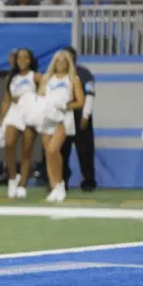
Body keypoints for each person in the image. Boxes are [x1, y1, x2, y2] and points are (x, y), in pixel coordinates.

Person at [37, 50, 85, 202]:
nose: (61, 63)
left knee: (54, 149)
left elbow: (80, 101)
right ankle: (55, 186)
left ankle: (61, 184)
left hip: (64, 117)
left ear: (68, 63)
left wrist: (65, 105)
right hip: (46, 117)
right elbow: (39, 96)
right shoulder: (47, 78)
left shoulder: (73, 79)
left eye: (64, 61)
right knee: (48, 153)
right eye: (58, 60)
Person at [0, 48, 41, 198]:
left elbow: (43, 94)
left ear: (30, 60)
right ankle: (12, 178)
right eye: (19, 58)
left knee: (27, 150)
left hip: (30, 112)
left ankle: (23, 184)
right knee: (9, 144)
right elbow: (6, 99)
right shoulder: (11, 77)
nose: (22, 61)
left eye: (25, 58)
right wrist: (1, 120)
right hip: (14, 112)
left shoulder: (35, 77)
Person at [61, 46, 96, 191]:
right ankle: (61, 181)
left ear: (75, 57)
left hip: (80, 116)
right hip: (62, 118)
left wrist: (86, 115)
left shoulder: (84, 73)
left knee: (85, 151)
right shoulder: (57, 75)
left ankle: (88, 181)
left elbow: (90, 93)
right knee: (62, 151)